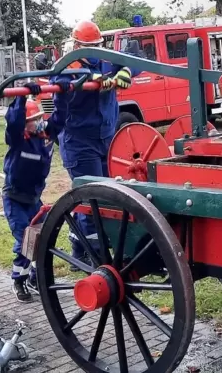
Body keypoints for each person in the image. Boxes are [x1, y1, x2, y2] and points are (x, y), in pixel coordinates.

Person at [49, 20, 139, 269]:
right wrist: (95, 79)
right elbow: (61, 81)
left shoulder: (105, 59)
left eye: (97, 46)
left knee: (108, 194)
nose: (94, 51)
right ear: (77, 45)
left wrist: (126, 71)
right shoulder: (68, 67)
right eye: (89, 47)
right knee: (91, 199)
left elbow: (133, 62)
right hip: (80, 142)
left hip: (107, 138)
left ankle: (90, 248)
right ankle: (90, 254)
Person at [1, 94, 55, 301]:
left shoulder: (46, 138)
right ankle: (18, 280)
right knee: (25, 240)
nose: (39, 123)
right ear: (24, 124)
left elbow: (60, 118)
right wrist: (21, 99)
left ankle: (34, 278)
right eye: (33, 120)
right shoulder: (17, 140)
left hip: (34, 200)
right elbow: (13, 121)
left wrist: (64, 93)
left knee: (42, 238)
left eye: (39, 118)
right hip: (15, 200)